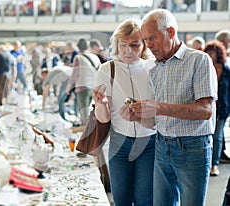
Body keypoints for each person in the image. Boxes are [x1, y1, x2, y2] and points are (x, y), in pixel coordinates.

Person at [120, 9, 217, 205]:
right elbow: (156, 121)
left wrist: (159, 107)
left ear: (171, 32)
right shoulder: (155, 69)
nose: (149, 45)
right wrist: (137, 116)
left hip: (192, 148)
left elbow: (206, 111)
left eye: (152, 38)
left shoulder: (199, 60)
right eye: (146, 40)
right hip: (162, 145)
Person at [93, 19, 156, 205]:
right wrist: (102, 103)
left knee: (145, 199)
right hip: (119, 142)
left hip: (149, 142)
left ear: (144, 44)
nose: (128, 50)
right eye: (123, 45)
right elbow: (103, 119)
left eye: (135, 45)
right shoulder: (107, 69)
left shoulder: (153, 67)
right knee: (121, 200)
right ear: (117, 44)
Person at [204, 40, 230, 176]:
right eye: (208, 52)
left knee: (218, 137)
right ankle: (208, 163)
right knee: (208, 136)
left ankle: (214, 164)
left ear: (218, 53)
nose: (210, 55)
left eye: (212, 52)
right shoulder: (204, 68)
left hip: (222, 109)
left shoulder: (226, 70)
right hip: (207, 108)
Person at [66, 38, 100, 125]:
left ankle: (86, 132)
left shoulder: (78, 58)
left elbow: (74, 75)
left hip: (82, 87)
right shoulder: (95, 57)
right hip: (93, 86)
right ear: (87, 46)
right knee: (90, 110)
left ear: (77, 47)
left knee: (84, 111)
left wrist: (69, 87)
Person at [215, 29, 230, 163]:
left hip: (223, 106)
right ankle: (216, 157)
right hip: (213, 106)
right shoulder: (207, 66)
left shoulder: (226, 68)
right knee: (217, 135)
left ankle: (217, 158)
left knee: (218, 135)